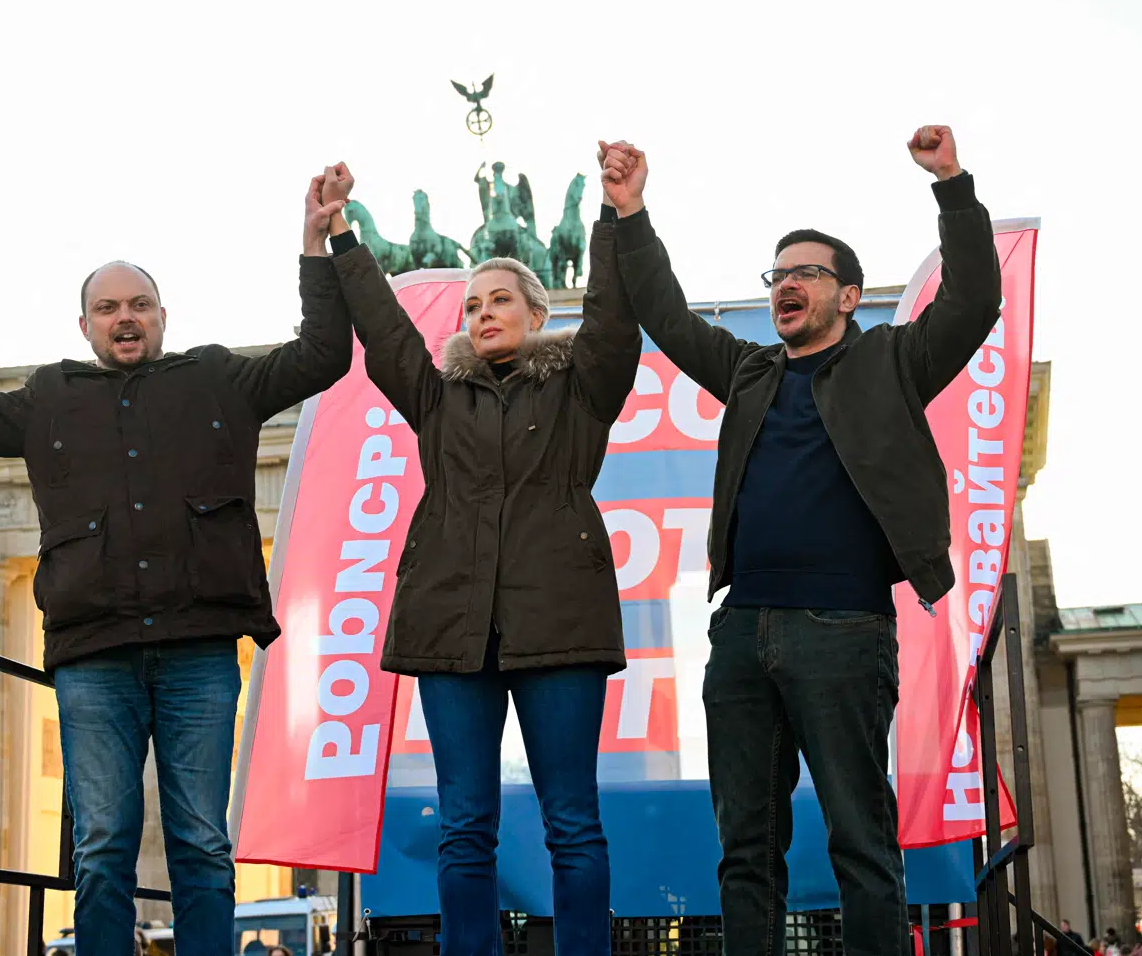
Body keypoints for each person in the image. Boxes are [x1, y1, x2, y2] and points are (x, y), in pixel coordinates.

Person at [0, 170, 355, 956]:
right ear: (85, 324)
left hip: (198, 649)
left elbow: (324, 354)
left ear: (163, 317)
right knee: (101, 844)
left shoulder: (217, 379)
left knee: (202, 840)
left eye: (139, 305)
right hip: (94, 655)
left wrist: (315, 247)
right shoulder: (48, 400)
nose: (124, 317)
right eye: (108, 307)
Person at [602, 125, 1000, 956]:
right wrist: (631, 211)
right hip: (742, 633)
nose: (785, 283)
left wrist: (951, 184)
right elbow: (666, 316)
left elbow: (971, 302)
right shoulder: (749, 371)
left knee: (860, 837)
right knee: (745, 848)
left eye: (805, 273)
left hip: (843, 630)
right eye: (777, 273)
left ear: (848, 296)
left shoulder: (893, 360)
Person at [333, 150, 640, 956]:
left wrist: (615, 217)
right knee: (464, 824)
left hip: (559, 625)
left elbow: (614, 319)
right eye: (472, 303)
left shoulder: (581, 387)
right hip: (451, 625)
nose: (483, 312)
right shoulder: (437, 395)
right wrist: (342, 238)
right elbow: (385, 332)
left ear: (537, 313)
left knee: (572, 822)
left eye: (500, 298)